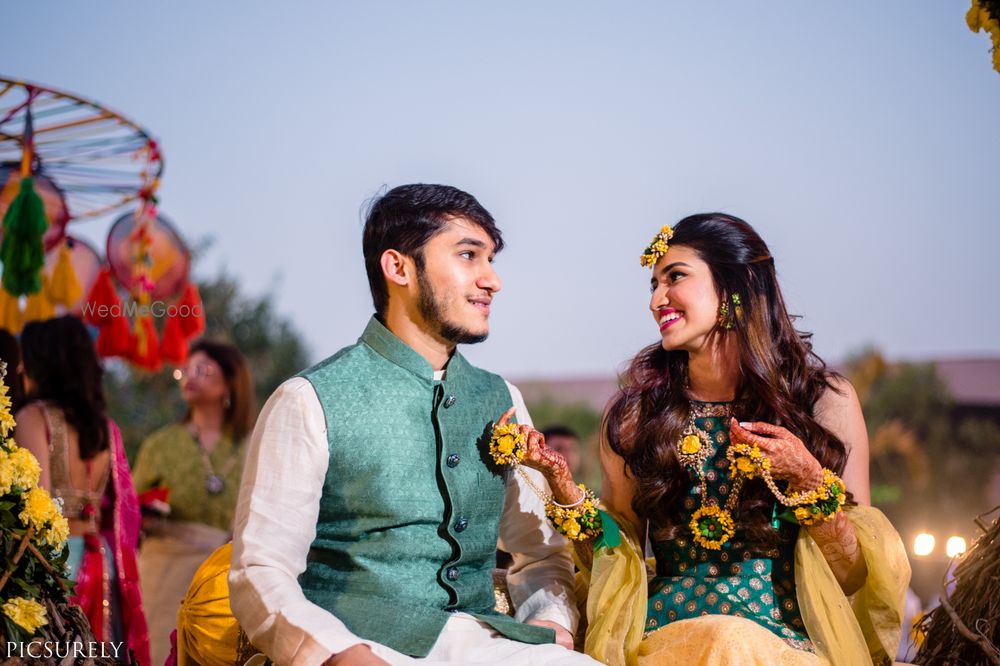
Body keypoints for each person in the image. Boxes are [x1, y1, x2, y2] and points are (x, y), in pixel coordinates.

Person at [515, 214, 910, 665]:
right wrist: (569, 496)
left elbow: (855, 573)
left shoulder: (821, 403)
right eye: (653, 285)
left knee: (733, 644)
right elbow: (615, 548)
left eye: (675, 278)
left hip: (786, 648)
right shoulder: (636, 414)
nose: (656, 300)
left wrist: (806, 477)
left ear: (734, 288)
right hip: (665, 640)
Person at [228, 184, 598, 665]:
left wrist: (551, 620)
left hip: (490, 645)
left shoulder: (501, 398)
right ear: (398, 267)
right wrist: (338, 653)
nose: (493, 280)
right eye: (469, 255)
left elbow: (541, 554)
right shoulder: (309, 399)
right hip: (357, 646)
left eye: (491, 259)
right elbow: (261, 569)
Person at [15, 315, 150, 663]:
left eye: (25, 359)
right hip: (100, 564)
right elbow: (123, 510)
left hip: (55, 565)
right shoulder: (106, 427)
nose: (18, 369)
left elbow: (37, 506)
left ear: (43, 363)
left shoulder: (34, 418)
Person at [132, 339, 254, 665]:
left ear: (229, 382)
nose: (190, 376)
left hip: (221, 577)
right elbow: (129, 508)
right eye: (185, 369)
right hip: (162, 568)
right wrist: (145, 516)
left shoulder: (252, 445)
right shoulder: (161, 443)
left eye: (202, 369)